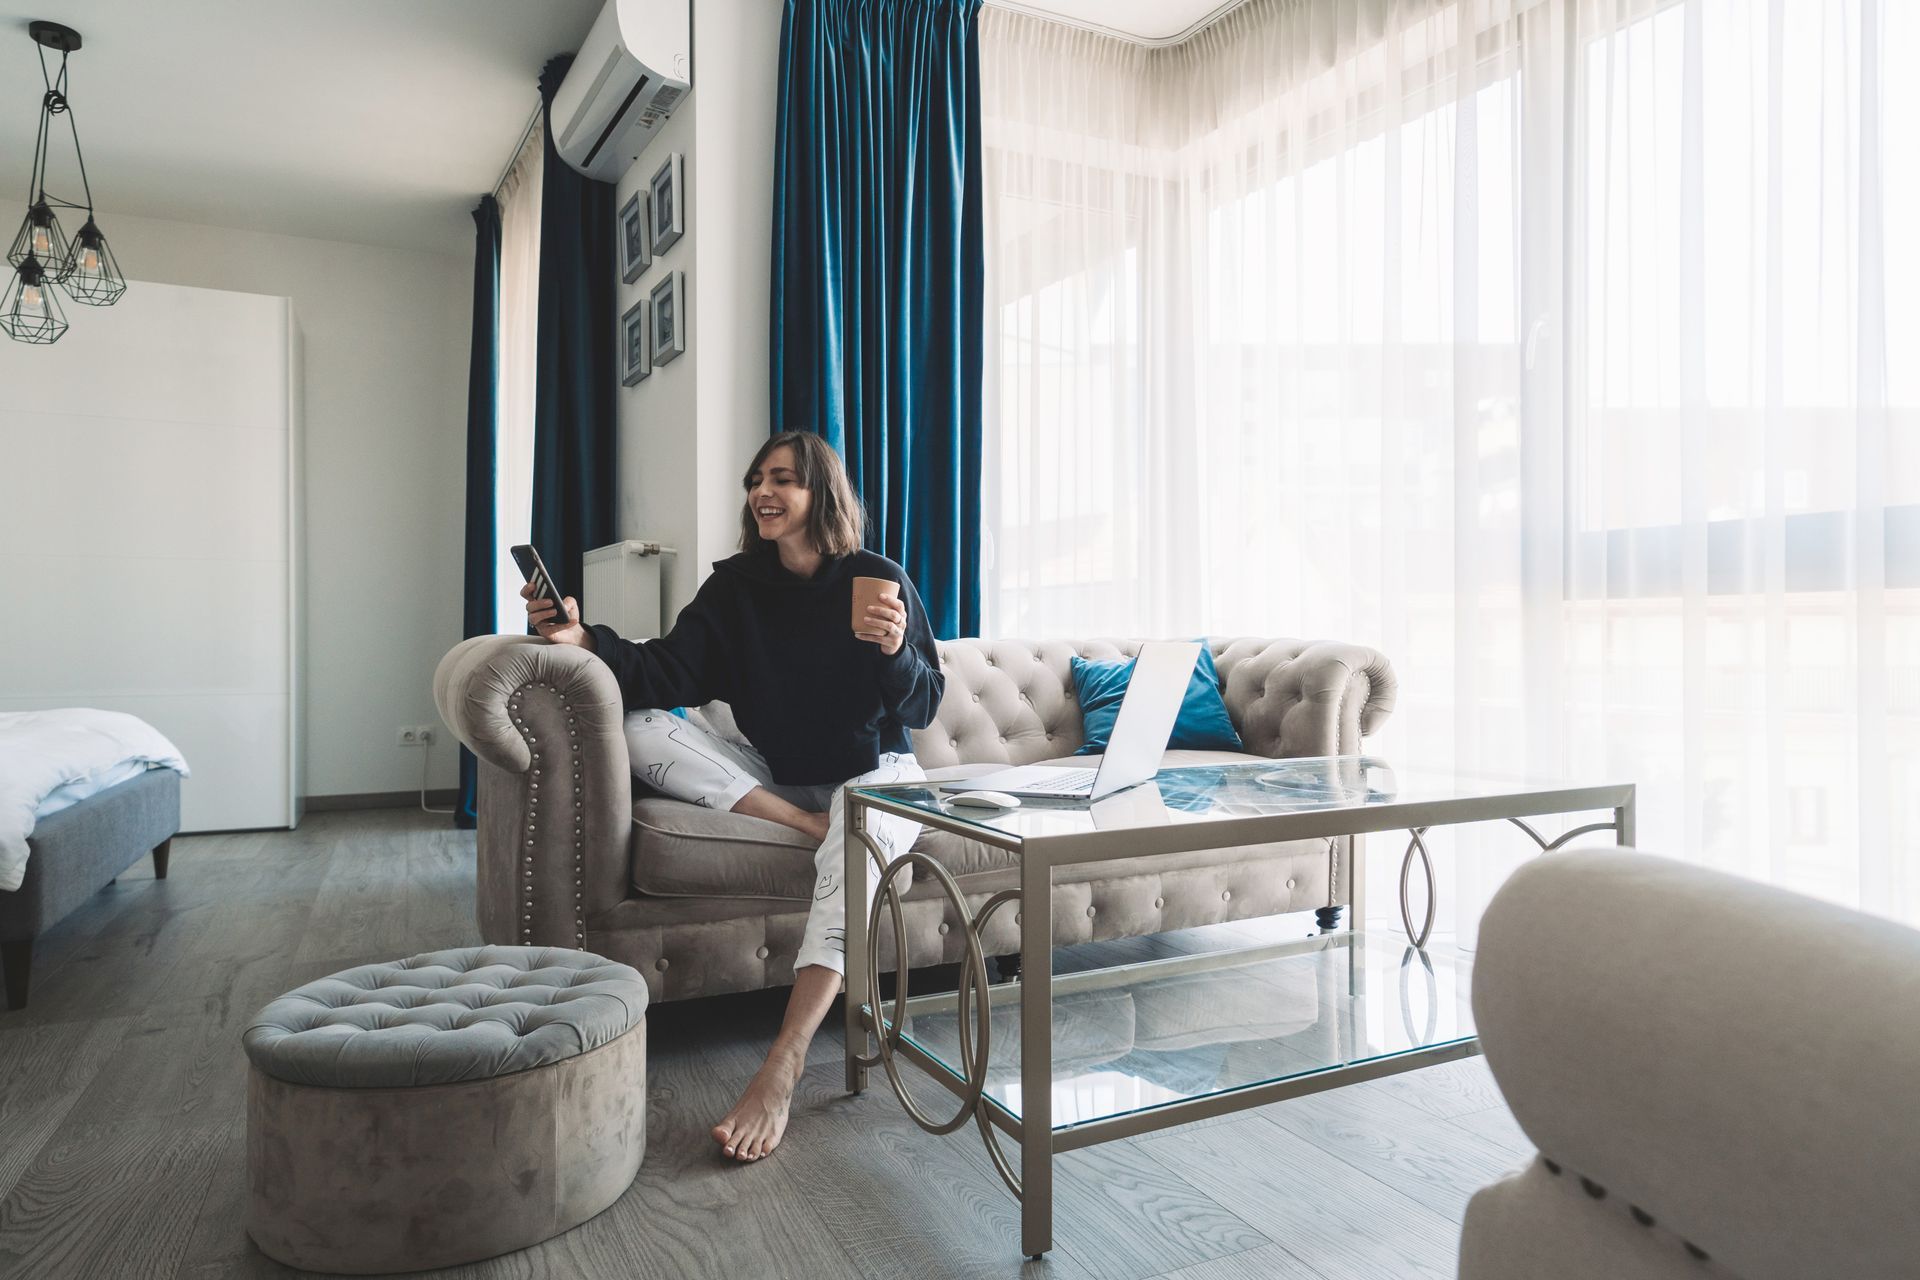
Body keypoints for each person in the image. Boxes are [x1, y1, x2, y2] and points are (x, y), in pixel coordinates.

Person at [522, 431, 943, 1163]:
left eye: (783, 479)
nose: (762, 492)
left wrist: (895, 651)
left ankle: (782, 1063)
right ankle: (808, 823)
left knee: (861, 821)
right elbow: (665, 673)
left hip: (877, 771)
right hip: (780, 773)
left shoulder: (877, 576)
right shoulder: (736, 586)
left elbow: (925, 705)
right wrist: (583, 636)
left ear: (821, 492)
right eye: (755, 480)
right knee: (641, 725)